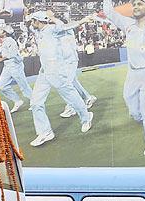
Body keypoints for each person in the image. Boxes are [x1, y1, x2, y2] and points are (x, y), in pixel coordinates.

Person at [103, 0, 145, 156]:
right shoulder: (127, 24)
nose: (136, 7)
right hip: (133, 73)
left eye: (140, 4)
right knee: (134, 112)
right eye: (134, 4)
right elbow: (109, 13)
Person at [27, 11, 95, 147]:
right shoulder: (37, 31)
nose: (31, 23)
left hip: (56, 69)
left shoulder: (53, 29)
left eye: (33, 21)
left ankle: (86, 117)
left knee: (71, 96)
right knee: (35, 103)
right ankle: (45, 132)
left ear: (39, 21)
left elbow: (66, 26)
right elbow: (31, 26)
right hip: (44, 71)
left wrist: (83, 20)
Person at [0, 24, 33, 113]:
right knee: (2, 87)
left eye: (0, 30)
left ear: (5, 32)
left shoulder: (10, 41)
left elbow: (11, 54)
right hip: (7, 66)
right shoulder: (2, 41)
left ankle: (34, 102)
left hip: (16, 65)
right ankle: (17, 101)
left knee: (23, 86)